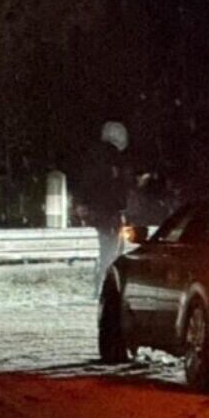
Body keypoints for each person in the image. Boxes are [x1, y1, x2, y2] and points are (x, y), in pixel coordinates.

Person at [76, 121, 134, 297]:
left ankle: (102, 286)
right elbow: (117, 187)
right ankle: (104, 289)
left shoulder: (96, 156)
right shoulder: (113, 158)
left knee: (108, 251)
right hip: (109, 213)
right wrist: (122, 206)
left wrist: (85, 203)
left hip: (99, 211)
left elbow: (89, 182)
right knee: (112, 253)